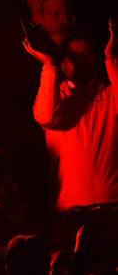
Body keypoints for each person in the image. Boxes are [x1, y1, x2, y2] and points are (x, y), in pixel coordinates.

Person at [27, 21, 118, 210]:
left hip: (111, 202)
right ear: (63, 63)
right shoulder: (56, 97)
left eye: (85, 55)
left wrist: (111, 59)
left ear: (94, 60)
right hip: (71, 206)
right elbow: (46, 117)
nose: (79, 60)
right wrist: (49, 66)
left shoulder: (109, 96)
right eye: (73, 56)